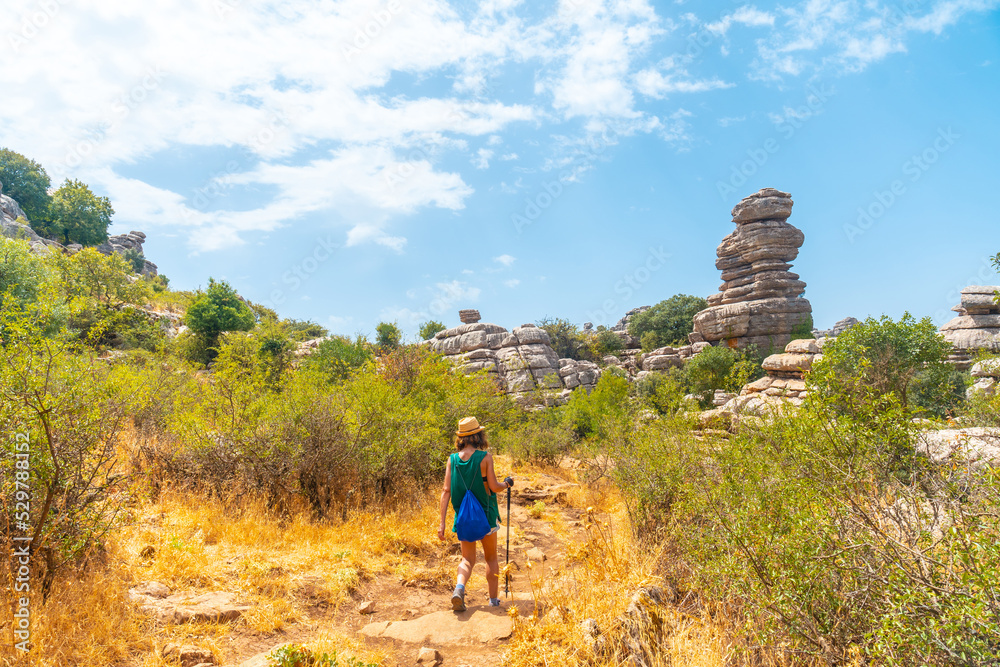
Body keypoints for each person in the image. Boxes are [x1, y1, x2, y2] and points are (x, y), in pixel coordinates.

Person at [438, 416, 513, 611]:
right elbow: (494, 487)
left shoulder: (452, 460)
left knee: (467, 559)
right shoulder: (485, 457)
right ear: (478, 435)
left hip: (464, 518)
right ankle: (493, 601)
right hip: (486, 516)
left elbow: (446, 491)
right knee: (491, 558)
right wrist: (507, 484)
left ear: (461, 437)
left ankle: (459, 588)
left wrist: (442, 524)